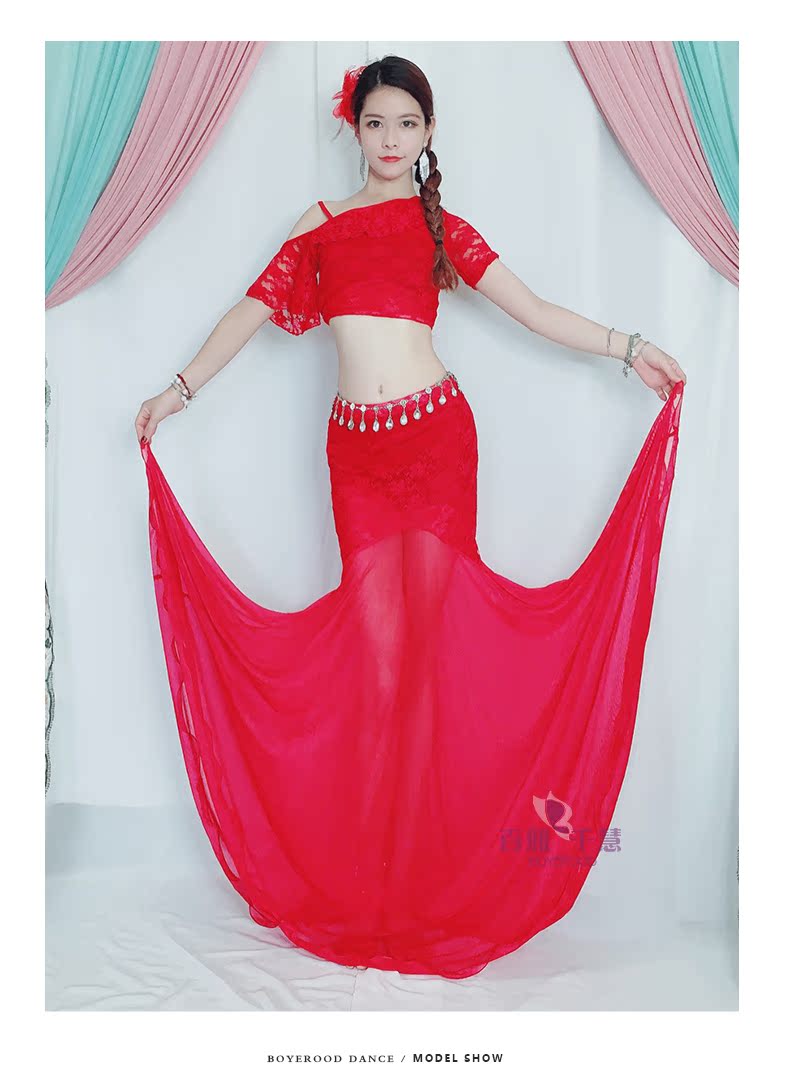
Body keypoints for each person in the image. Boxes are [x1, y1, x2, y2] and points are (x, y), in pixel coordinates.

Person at [134, 56, 687, 980]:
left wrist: (630, 347)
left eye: (406, 124)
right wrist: (176, 391)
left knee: (427, 665)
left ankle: (432, 884)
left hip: (436, 448)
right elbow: (246, 312)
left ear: (428, 135)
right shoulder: (318, 225)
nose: (390, 139)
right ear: (354, 128)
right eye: (375, 122)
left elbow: (533, 309)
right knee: (377, 666)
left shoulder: (441, 227)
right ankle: (374, 881)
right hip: (355, 459)